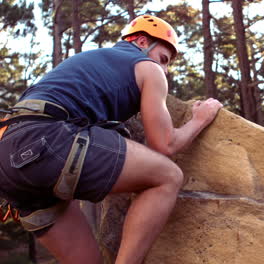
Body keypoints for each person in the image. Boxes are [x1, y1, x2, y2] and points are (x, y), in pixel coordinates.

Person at [0, 14, 222, 264]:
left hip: (8, 162)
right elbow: (165, 143)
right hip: (47, 139)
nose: (165, 70)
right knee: (168, 177)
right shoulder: (146, 68)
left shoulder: (91, 63)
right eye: (163, 59)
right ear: (141, 41)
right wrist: (200, 118)